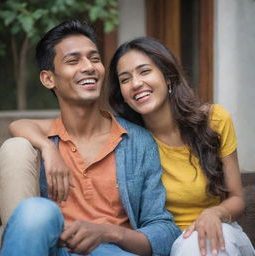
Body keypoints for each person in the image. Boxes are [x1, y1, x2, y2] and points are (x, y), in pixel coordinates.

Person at [0, 21, 181, 256]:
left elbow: (165, 230)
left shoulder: (138, 142)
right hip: (56, 249)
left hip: (112, 251)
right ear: (48, 79)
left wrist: (109, 232)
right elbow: (18, 127)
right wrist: (48, 149)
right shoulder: (43, 141)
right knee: (36, 211)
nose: (89, 67)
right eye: (73, 61)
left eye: (94, 59)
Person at [107, 37, 255, 256]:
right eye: (125, 79)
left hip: (217, 233)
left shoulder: (214, 120)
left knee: (202, 246)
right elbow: (44, 127)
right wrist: (46, 146)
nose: (136, 83)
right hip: (161, 242)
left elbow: (237, 198)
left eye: (145, 71)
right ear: (122, 94)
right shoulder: (126, 138)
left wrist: (215, 213)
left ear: (168, 77)